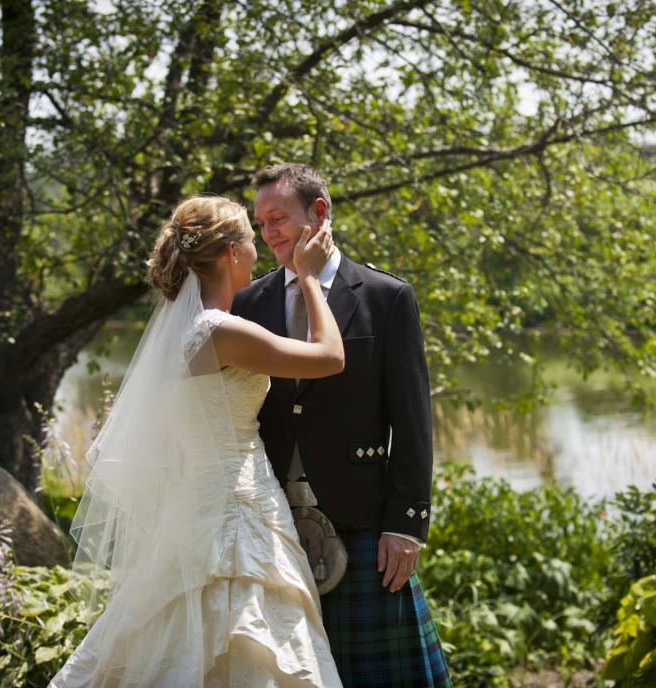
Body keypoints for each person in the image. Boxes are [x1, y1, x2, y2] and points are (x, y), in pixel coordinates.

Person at [50, 195, 345, 687]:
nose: (257, 248)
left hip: (196, 505)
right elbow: (329, 357)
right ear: (231, 254)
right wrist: (310, 277)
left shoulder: (183, 331)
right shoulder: (219, 331)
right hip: (239, 505)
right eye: (251, 239)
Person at [232, 163, 452, 687]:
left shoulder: (385, 296)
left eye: (280, 218)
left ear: (321, 213)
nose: (270, 234)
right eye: (262, 224)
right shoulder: (248, 303)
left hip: (362, 520)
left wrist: (406, 524)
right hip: (271, 525)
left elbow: (414, 421)